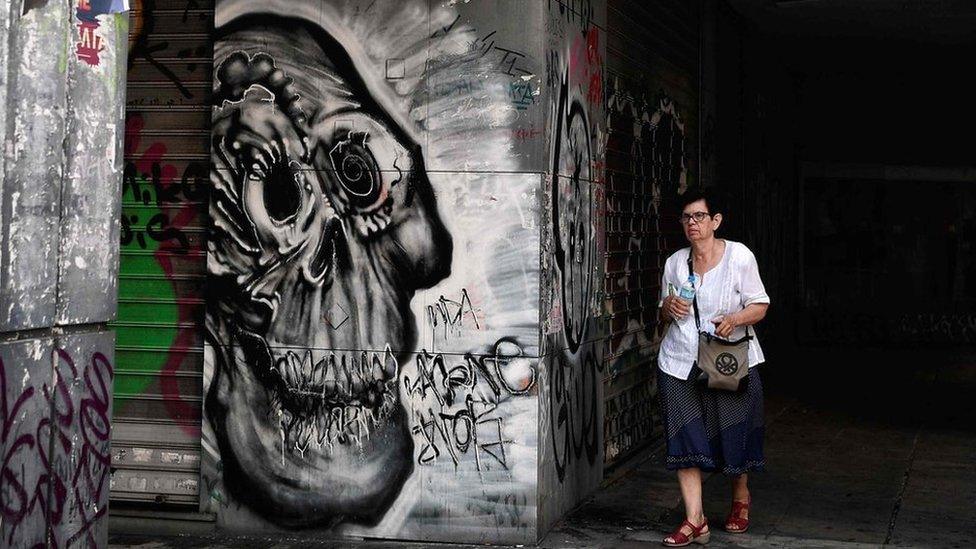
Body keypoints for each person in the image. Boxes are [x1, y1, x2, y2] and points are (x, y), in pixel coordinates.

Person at [657, 189, 770, 546]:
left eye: (699, 216)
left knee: (731, 433)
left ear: (715, 220)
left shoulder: (739, 257)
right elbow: (663, 310)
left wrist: (735, 319)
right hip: (679, 361)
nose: (692, 223)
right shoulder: (675, 262)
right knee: (685, 437)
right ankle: (695, 520)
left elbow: (760, 304)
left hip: (727, 358)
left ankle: (740, 497)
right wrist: (668, 308)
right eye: (686, 218)